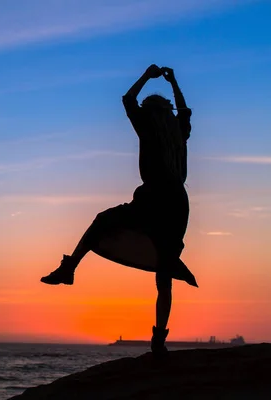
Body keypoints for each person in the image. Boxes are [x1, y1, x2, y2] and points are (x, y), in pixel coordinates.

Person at [40, 64, 198, 357]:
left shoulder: (149, 126)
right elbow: (184, 109)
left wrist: (146, 76)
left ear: (150, 112)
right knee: (163, 274)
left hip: (154, 197)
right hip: (178, 203)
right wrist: (174, 81)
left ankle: (69, 268)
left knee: (103, 221)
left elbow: (128, 100)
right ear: (168, 112)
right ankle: (158, 341)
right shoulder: (179, 130)